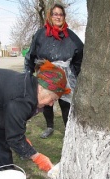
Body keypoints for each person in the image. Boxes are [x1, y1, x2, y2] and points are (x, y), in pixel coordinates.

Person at [25, 3, 84, 139]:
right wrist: (28, 73)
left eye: (61, 14)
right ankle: (49, 126)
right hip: (45, 75)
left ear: (64, 17)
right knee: (46, 103)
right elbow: (31, 54)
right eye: (55, 14)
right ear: (50, 16)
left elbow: (80, 55)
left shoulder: (71, 36)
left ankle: (68, 131)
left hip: (64, 77)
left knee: (66, 104)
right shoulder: (40, 34)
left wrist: (74, 74)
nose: (58, 17)